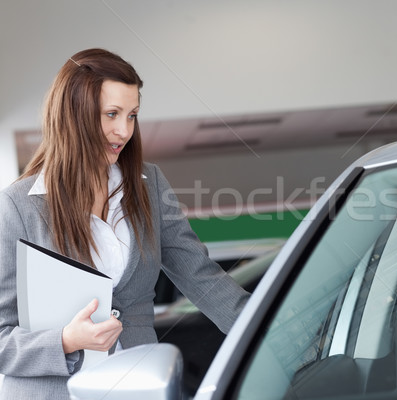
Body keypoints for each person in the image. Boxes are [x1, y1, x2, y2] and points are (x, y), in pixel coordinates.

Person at [0, 48, 250, 399]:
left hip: (137, 385)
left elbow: (201, 277)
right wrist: (65, 341)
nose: (123, 131)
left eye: (132, 116)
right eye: (111, 114)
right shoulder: (17, 206)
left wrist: (271, 330)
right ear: (74, 117)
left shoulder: (150, 184)